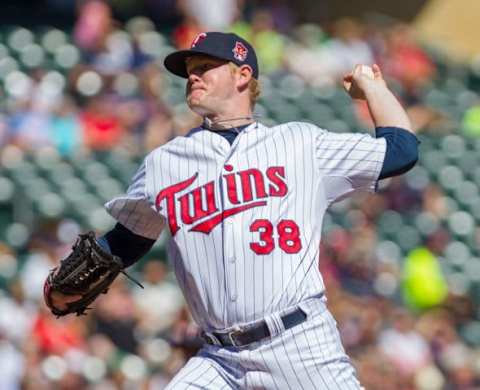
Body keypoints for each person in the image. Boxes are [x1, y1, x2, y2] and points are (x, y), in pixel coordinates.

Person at [46, 31, 419, 389]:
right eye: (189, 70)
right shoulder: (165, 162)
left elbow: (402, 150)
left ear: (243, 75)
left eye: (204, 66)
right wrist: (71, 280)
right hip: (218, 358)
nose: (192, 75)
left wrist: (373, 87)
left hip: (298, 345)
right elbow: (128, 241)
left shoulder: (300, 144)